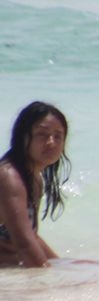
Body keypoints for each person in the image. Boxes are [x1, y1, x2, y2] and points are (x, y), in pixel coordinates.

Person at [0, 102, 71, 268]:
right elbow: (24, 243)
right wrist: (51, 282)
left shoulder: (33, 179)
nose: (51, 142)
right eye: (42, 134)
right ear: (23, 138)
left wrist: (62, 265)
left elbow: (31, 237)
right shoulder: (8, 177)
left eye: (58, 136)